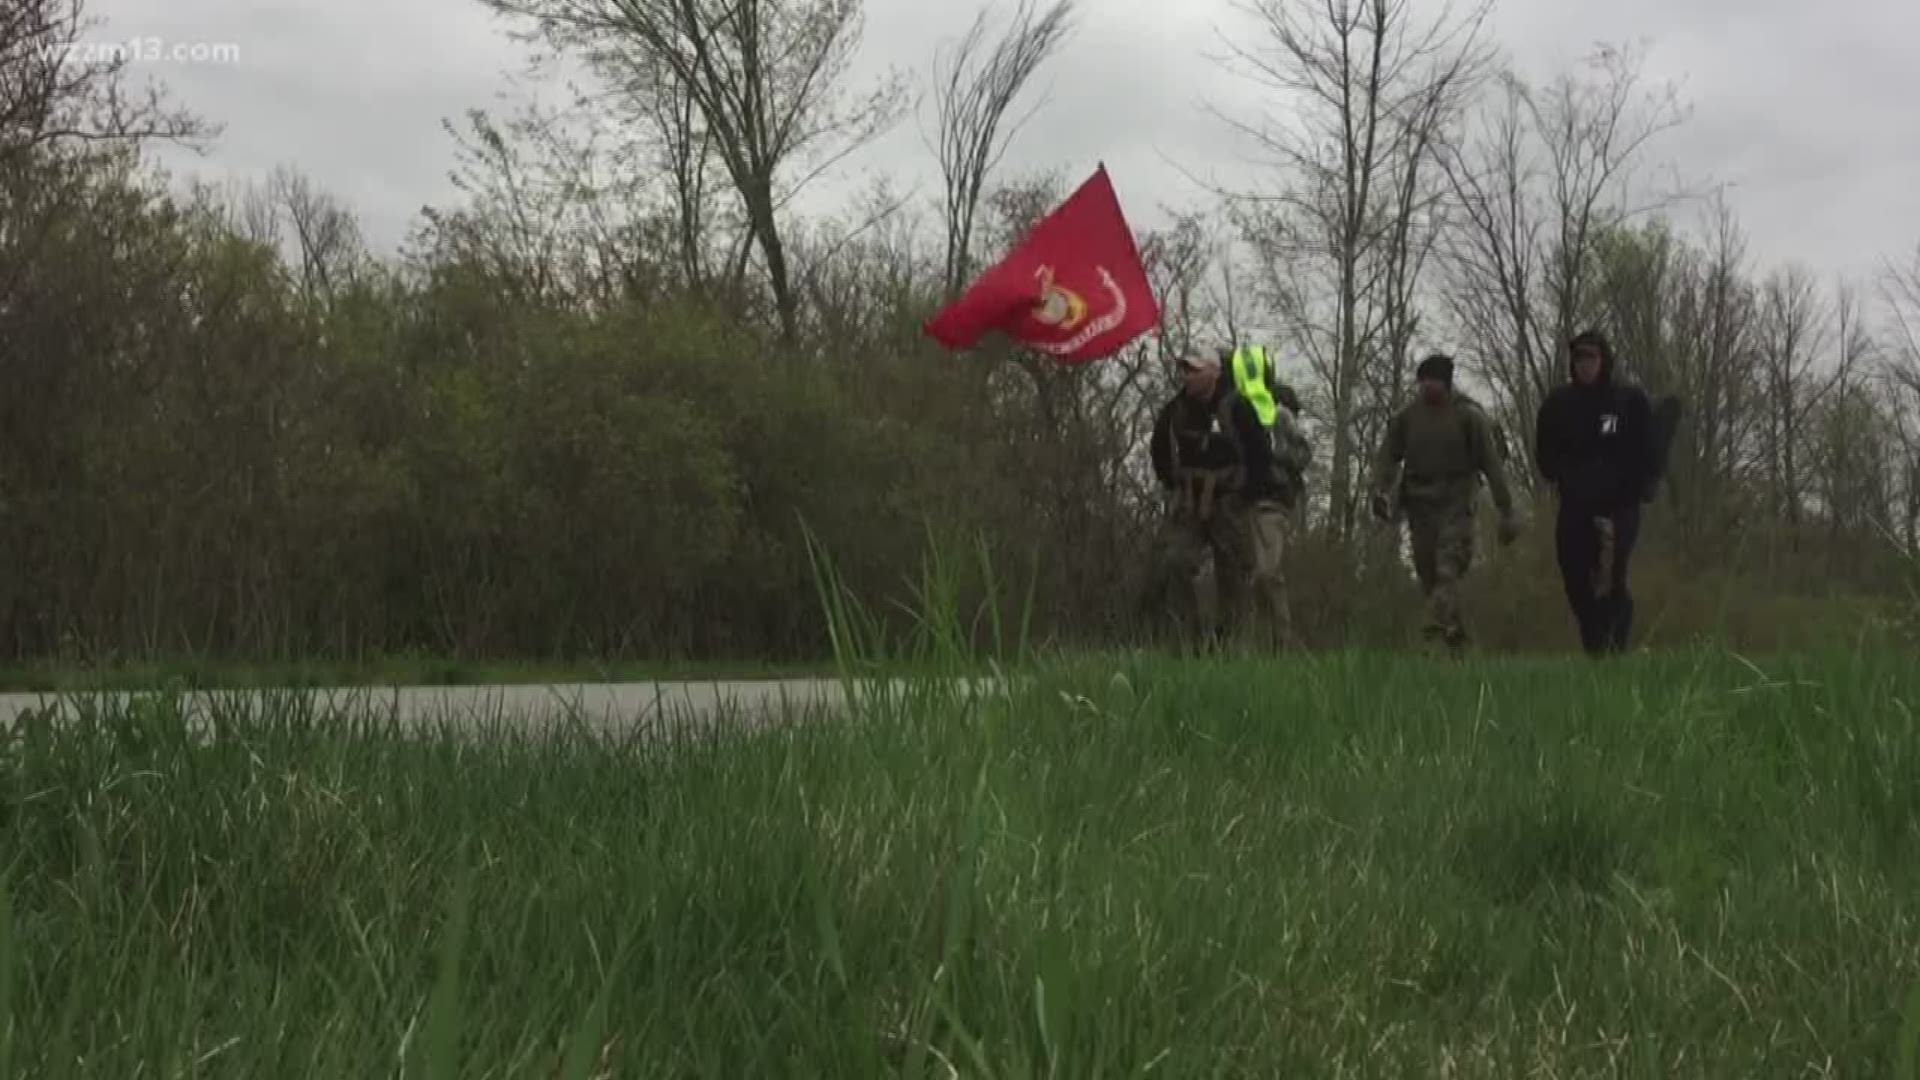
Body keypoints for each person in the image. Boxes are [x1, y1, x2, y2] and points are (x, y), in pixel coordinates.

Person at [1368, 353, 1520, 657]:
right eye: (1422, 381)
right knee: (1429, 576)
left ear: (1446, 384)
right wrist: (1380, 492)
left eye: (1432, 381)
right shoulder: (1407, 418)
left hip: (1457, 502)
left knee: (1448, 569)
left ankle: (1432, 627)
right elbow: (1387, 457)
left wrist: (1506, 509)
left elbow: (1492, 464)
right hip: (1419, 505)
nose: (1426, 388)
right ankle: (1456, 639)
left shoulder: (1469, 417)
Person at [1534, 329, 1660, 656]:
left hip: (1620, 503)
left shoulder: (1628, 400)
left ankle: (1614, 651)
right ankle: (1596, 646)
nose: (1584, 365)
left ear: (1603, 361)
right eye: (1578, 359)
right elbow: (1545, 453)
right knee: (1575, 575)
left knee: (1610, 574)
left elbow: (1649, 448)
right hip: (1576, 504)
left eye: (1591, 358)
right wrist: (1564, 474)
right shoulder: (1559, 404)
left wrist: (1645, 483)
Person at [1144, 350, 1276, 648]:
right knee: (1176, 562)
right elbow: (1159, 449)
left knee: (1233, 574)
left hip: (1230, 502)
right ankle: (1186, 643)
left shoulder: (1237, 406)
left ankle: (1227, 645)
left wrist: (1245, 495)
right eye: (1185, 370)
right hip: (1190, 501)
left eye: (1193, 370)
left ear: (1213, 373)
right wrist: (1173, 482)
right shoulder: (1176, 409)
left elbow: (1260, 454)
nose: (1186, 376)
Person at [1221, 343, 1314, 648]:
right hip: (1238, 502)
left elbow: (1303, 453)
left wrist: (1275, 454)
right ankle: (1259, 641)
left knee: (1267, 571)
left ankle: (1284, 639)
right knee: (1245, 576)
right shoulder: (1229, 411)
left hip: (1273, 501)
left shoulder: (1281, 415)